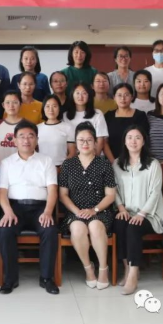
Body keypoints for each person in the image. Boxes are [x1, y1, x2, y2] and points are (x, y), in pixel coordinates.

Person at [0, 120, 60, 295]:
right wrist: (7, 211)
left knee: (49, 230)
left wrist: (48, 212)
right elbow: (2, 192)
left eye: (31, 136)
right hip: (14, 208)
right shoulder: (7, 163)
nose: (26, 140)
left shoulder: (46, 161)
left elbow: (52, 190)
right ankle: (10, 279)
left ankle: (47, 278)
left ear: (37, 140)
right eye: (22, 136)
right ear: (15, 140)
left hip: (40, 208)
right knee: (5, 231)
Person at [58, 122, 116, 290]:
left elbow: (110, 195)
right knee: (77, 229)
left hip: (100, 210)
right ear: (75, 142)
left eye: (89, 140)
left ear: (95, 142)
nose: (85, 143)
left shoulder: (104, 164)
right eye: (81, 140)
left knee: (95, 226)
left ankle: (103, 268)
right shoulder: (68, 165)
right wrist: (77, 211)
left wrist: (94, 210)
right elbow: (63, 195)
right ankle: (88, 268)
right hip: (75, 211)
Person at [112, 125, 163, 295]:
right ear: (124, 141)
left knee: (133, 227)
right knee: (120, 224)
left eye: (137, 137)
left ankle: (134, 274)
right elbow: (114, 190)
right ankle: (127, 268)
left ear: (143, 141)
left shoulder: (153, 164)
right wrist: (121, 208)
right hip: (126, 211)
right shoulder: (117, 163)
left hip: (149, 214)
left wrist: (142, 214)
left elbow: (155, 192)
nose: (133, 141)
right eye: (130, 137)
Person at [103, 83, 149, 162]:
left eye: (126, 95)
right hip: (112, 161)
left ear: (132, 97)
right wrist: (113, 162)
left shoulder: (140, 115)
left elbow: (144, 139)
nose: (123, 98)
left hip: (136, 161)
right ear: (114, 97)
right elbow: (104, 142)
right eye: (119, 95)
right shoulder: (108, 116)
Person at [63, 82, 108, 157]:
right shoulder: (65, 116)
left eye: (84, 93)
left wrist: (93, 159)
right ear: (72, 95)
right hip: (73, 157)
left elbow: (100, 140)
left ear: (89, 96)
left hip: (94, 156)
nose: (80, 96)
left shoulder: (97, 114)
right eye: (77, 93)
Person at [37, 95, 76, 168]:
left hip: (62, 168)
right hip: (41, 168)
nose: (51, 110)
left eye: (54, 106)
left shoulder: (68, 128)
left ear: (59, 108)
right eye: (47, 106)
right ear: (43, 109)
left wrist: (61, 168)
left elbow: (72, 152)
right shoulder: (37, 128)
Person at [0, 91, 23, 162]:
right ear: (3, 105)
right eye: (7, 102)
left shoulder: (27, 125)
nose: (11, 106)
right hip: (2, 166)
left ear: (20, 104)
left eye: (15, 102)